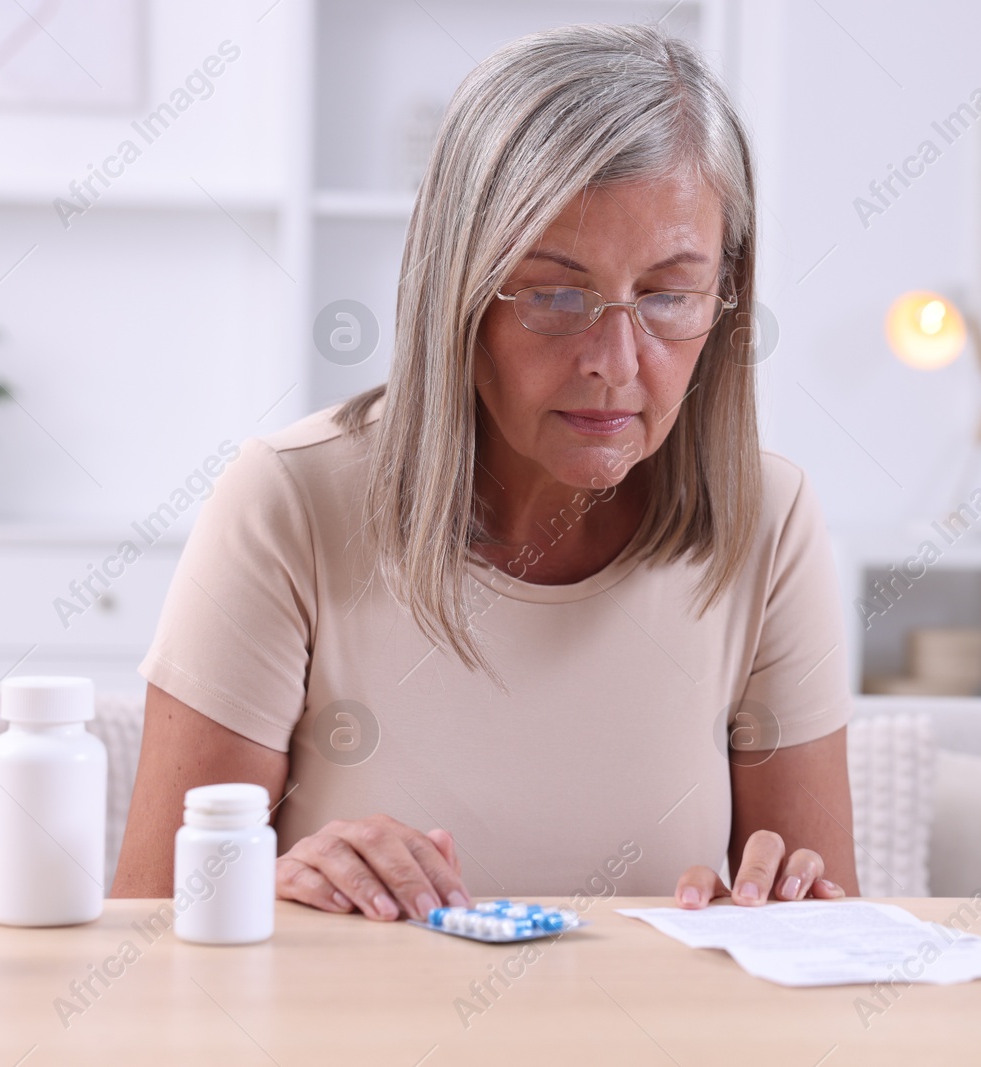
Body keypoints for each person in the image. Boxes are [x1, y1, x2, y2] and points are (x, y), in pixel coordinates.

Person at [113, 22, 857, 920]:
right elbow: (147, 936)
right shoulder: (290, 502)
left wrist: (791, 913)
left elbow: (828, 944)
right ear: (455, 294)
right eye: (553, 292)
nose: (616, 361)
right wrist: (279, 891)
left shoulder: (769, 523)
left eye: (667, 295)